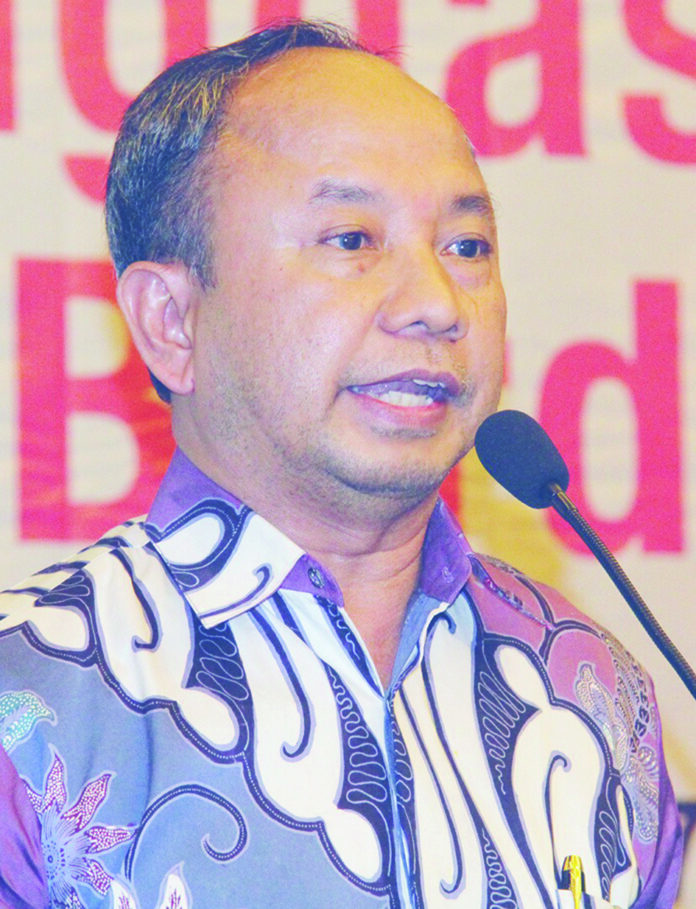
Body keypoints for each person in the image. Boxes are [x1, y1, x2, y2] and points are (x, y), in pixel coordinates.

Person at [0, 19, 683, 909]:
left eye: (466, 247)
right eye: (352, 240)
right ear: (172, 321)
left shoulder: (594, 691)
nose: (438, 303)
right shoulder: (32, 700)